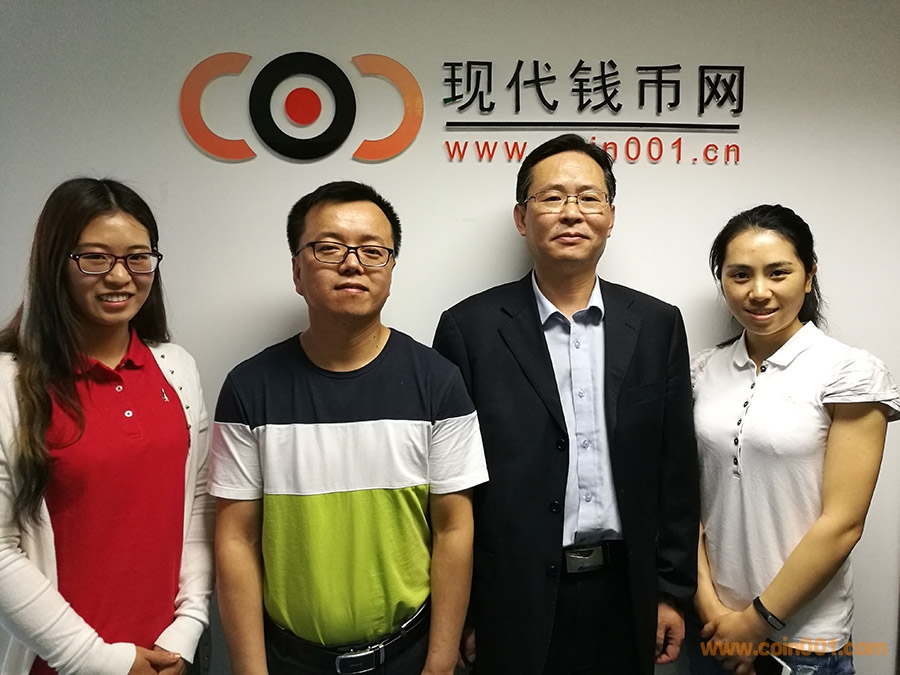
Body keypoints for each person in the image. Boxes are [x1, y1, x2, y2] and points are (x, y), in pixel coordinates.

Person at [432, 133, 699, 675]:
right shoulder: (468, 329)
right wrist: (466, 610)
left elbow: (676, 470)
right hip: (512, 600)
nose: (571, 212)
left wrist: (670, 591)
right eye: (551, 197)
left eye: (589, 198)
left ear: (611, 216)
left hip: (626, 594)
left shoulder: (657, 324)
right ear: (521, 217)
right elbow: (452, 486)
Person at [208, 180, 488, 675]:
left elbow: (453, 529)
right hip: (289, 659)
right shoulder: (249, 389)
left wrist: (440, 665)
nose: (352, 264)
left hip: (408, 655)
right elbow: (236, 540)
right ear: (297, 270)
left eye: (372, 251)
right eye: (329, 248)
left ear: (391, 269)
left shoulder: (439, 383)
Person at [0, 178, 214, 675]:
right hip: (62, 663)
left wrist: (186, 629)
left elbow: (198, 505)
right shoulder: (10, 382)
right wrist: (97, 659)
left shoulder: (177, 369)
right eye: (95, 258)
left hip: (167, 659)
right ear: (56, 263)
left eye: (138, 258)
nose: (120, 277)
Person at [689, 204, 900, 675]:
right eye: (740, 275)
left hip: (804, 645)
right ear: (722, 281)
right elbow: (689, 506)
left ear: (809, 277)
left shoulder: (850, 372)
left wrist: (754, 624)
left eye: (778, 273)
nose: (758, 291)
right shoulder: (702, 370)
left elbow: (843, 523)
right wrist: (713, 612)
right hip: (712, 633)